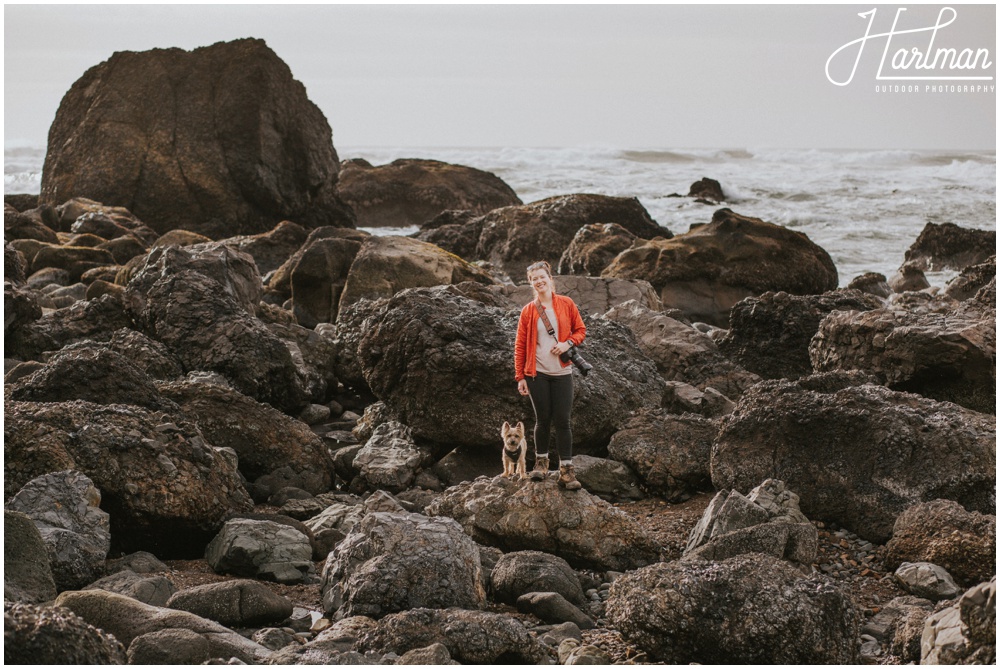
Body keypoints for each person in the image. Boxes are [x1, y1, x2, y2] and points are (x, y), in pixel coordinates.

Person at [514, 260, 587, 490]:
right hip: (538, 374)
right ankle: (541, 465)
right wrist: (520, 377)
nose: (538, 281)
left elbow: (581, 330)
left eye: (542, 277)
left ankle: (566, 471)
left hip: (563, 372)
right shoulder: (528, 311)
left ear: (550, 279)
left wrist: (567, 344)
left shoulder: (566, 303)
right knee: (542, 420)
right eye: (534, 279)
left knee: (563, 421)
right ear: (531, 283)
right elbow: (520, 345)